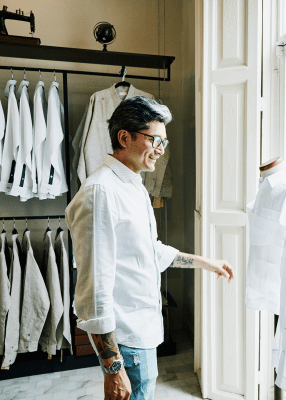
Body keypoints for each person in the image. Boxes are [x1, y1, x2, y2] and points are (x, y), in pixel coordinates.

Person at [66, 96, 234, 400]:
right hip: (126, 340)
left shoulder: (134, 185)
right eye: (155, 140)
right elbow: (94, 289)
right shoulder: (100, 192)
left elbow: (149, 252)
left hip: (143, 329)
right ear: (124, 137)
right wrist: (113, 368)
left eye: (164, 143)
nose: (160, 150)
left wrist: (205, 262)